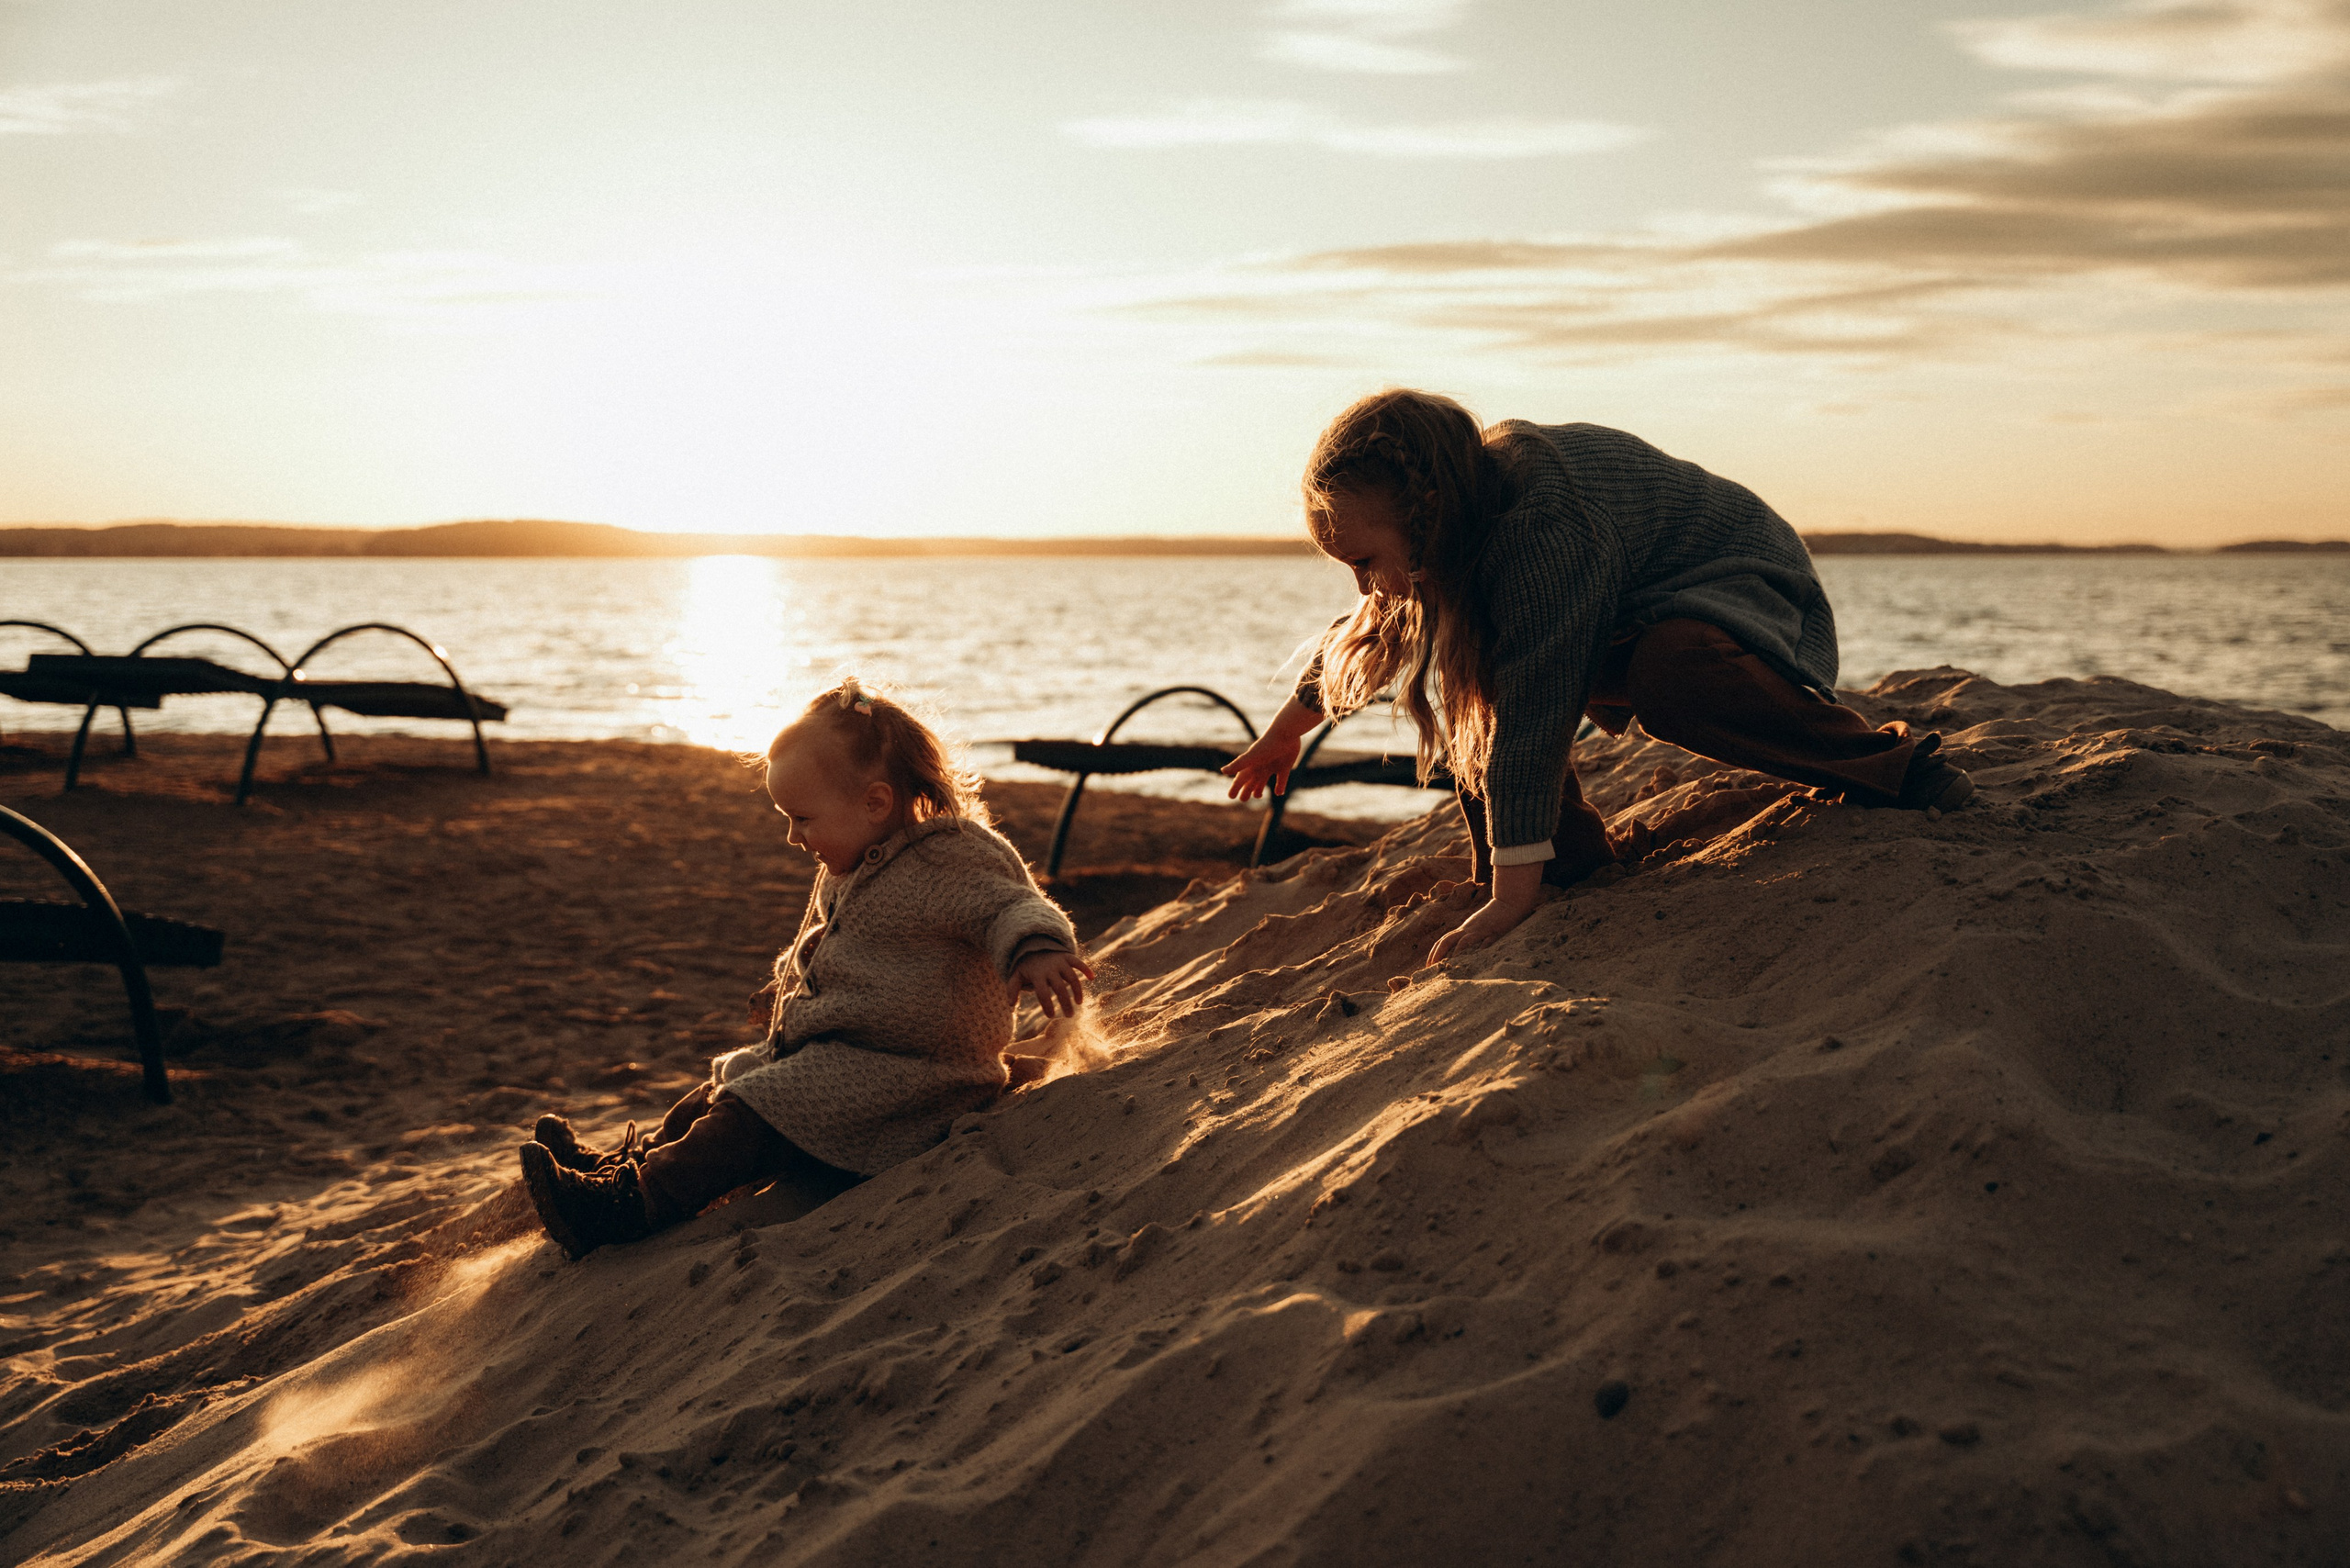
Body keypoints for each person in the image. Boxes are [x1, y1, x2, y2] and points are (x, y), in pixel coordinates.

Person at [1221, 388, 1973, 969]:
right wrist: (1285, 732)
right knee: (1472, 660)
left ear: (1426, 513)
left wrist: (1509, 901)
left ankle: (1895, 770)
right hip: (1629, 607)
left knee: (1662, 678)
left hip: (1741, 590)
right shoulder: (1450, 530)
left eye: (1363, 563)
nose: (1362, 587)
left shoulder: (1541, 527)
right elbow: (1375, 632)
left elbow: (1534, 712)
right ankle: (1567, 863)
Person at [520, 678, 1092, 1260]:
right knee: (720, 1092)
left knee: (751, 1113)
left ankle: (632, 1204)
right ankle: (624, 1165)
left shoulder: (953, 856)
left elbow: (1011, 905)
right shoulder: (859, 859)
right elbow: (840, 948)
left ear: (875, 802)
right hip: (847, 1052)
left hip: (916, 1076)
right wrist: (788, 989)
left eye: (802, 818)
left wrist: (1037, 949)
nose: (793, 837)